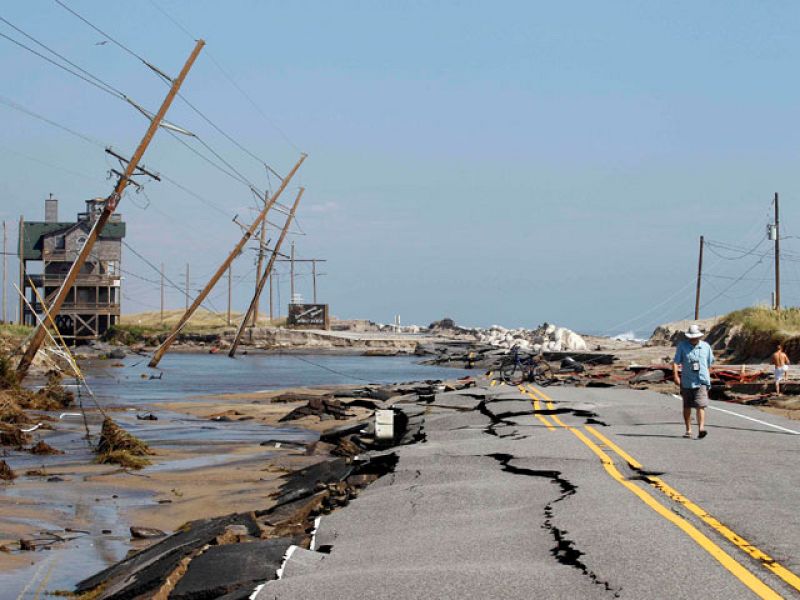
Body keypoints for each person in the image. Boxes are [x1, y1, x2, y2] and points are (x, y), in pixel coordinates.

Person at [672, 324, 714, 439]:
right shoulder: (682, 346)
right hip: (687, 381)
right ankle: (688, 429)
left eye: (695, 337)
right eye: (691, 337)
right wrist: (676, 376)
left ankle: (701, 428)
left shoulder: (706, 347)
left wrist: (707, 377)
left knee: (701, 405)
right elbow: (676, 362)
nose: (693, 338)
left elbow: (710, 363)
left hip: (701, 381)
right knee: (687, 406)